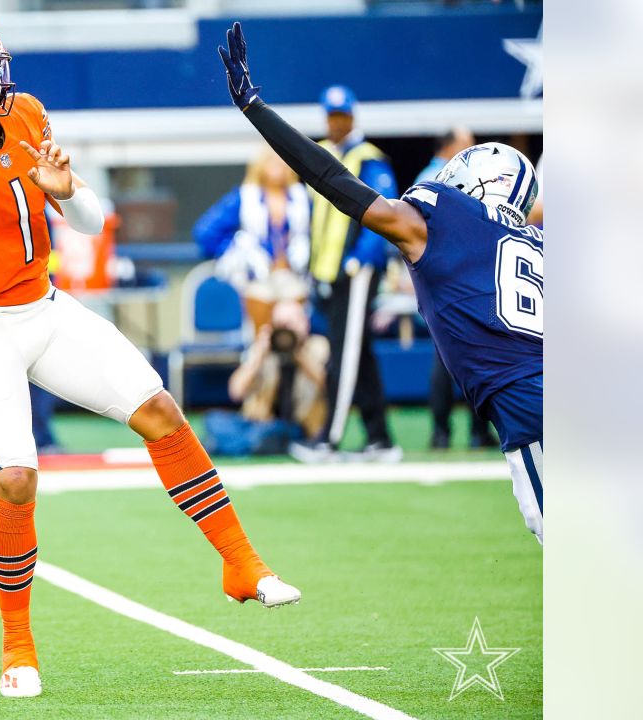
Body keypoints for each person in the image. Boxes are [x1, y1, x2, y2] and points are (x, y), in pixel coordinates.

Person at [0, 10, 299, 698]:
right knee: (15, 482)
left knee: (160, 409)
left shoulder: (29, 112)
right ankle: (17, 644)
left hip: (46, 307)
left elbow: (90, 219)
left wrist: (69, 193)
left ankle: (240, 562)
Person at [219, 22, 543, 542]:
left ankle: (332, 437)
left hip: (527, 397)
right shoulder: (538, 241)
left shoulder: (441, 212)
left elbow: (335, 183)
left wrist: (257, 109)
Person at [280, 84, 400, 464]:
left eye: (341, 116)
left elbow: (385, 214)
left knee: (343, 358)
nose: (335, 123)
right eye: (330, 116)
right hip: (328, 272)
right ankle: (380, 438)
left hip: (356, 273)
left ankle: (328, 438)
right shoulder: (325, 154)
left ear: (352, 116)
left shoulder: (369, 160)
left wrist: (359, 260)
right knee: (358, 355)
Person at [416, 128, 498, 450]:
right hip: (454, 278)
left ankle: (447, 432)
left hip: (443, 278)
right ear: (450, 146)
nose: (472, 151)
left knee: (452, 358)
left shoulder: (433, 176)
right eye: (466, 146)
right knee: (464, 358)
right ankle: (459, 431)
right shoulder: (439, 179)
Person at [192, 145, 311, 330]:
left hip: (294, 277)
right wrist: (236, 249)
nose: (278, 166)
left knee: (293, 335)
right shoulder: (246, 196)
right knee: (262, 334)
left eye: (282, 162)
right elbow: (205, 231)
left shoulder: (301, 197)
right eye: (272, 161)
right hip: (258, 279)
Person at [209, 301, 328, 455]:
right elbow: (236, 392)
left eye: (291, 323)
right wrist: (259, 355)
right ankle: (246, 444)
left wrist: (299, 354)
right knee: (213, 420)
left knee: (266, 434)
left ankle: (227, 445)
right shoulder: (262, 350)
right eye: (281, 324)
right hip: (258, 423)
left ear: (305, 323)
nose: (286, 330)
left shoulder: (318, 347)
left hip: (298, 426)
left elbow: (329, 387)